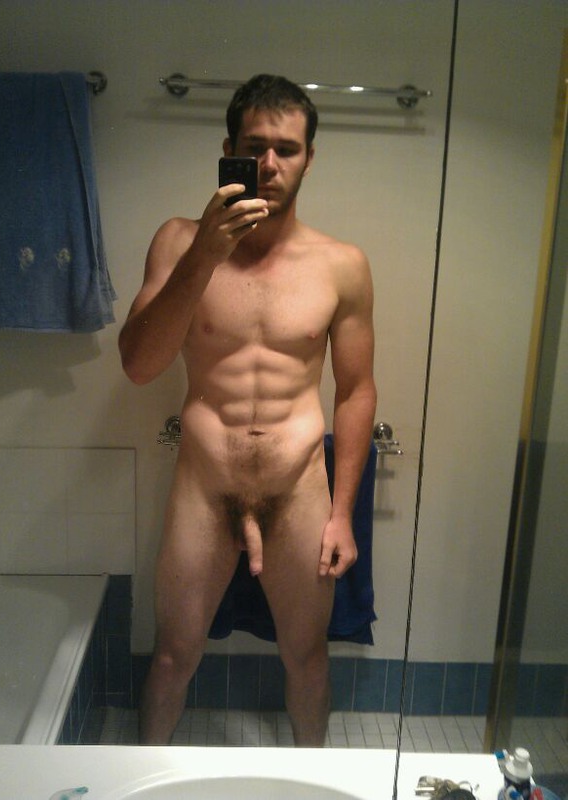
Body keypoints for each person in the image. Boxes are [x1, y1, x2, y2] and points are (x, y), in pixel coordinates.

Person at [119, 74, 377, 747]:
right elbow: (139, 364)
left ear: (309, 157)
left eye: (286, 149)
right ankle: (141, 778)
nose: (268, 163)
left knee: (308, 659)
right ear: (228, 149)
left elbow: (355, 391)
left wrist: (343, 513)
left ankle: (312, 782)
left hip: (298, 490)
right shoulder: (179, 242)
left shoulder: (342, 265)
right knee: (173, 657)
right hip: (204, 485)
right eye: (254, 146)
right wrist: (205, 257)